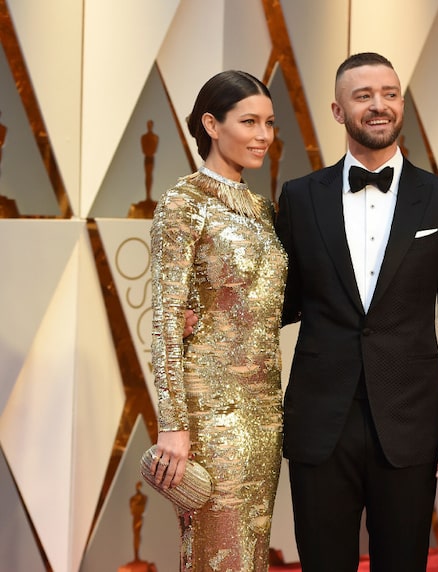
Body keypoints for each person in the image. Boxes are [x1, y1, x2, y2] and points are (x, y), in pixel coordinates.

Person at [276, 52, 438, 571]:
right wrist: (211, 320)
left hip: (410, 424)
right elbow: (280, 301)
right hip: (321, 422)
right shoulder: (299, 198)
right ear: (338, 110)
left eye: (389, 94)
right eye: (363, 95)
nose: (379, 106)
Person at [149, 70, 287, 571]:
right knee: (215, 550)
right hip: (209, 415)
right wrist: (173, 427)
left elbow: (268, 303)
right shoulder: (184, 203)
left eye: (269, 123)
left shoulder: (264, 210)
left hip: (266, 410)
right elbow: (165, 323)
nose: (263, 136)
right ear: (211, 124)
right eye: (249, 122)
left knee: (254, 547)